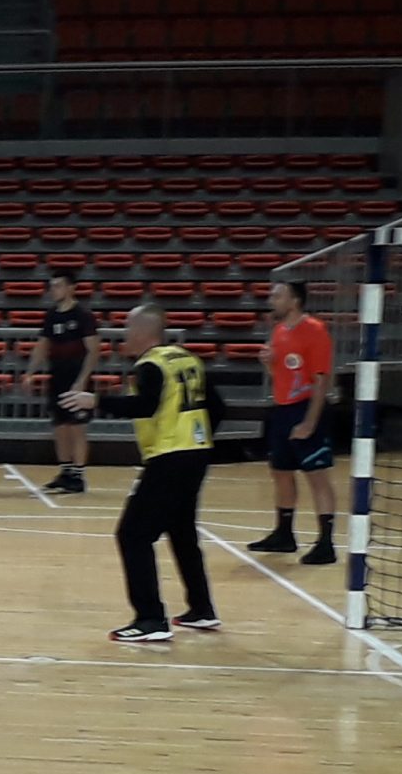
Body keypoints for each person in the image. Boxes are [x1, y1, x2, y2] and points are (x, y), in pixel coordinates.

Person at [63, 303, 226, 643]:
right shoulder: (187, 359)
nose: (124, 335)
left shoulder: (150, 365)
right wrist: (197, 437)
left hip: (169, 456)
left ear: (142, 332)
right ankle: (202, 608)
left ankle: (151, 618)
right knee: (182, 532)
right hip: (197, 453)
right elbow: (218, 407)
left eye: (128, 328)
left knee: (132, 535)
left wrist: (97, 401)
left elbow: (145, 406)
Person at [247, 279, 338, 565]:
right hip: (282, 409)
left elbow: (321, 380)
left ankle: (326, 543)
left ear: (294, 300)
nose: (271, 300)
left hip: (306, 407)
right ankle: (284, 534)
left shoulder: (314, 330)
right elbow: (281, 376)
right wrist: (269, 363)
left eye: (277, 296)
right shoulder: (279, 331)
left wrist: (310, 421)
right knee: (281, 471)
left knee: (316, 475)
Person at [22, 274, 97, 493]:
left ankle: (78, 475)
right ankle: (65, 472)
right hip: (57, 377)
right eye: (52, 286)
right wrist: (30, 372)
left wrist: (82, 381)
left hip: (76, 378)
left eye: (58, 286)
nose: (53, 290)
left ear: (71, 288)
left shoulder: (83, 315)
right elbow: (42, 345)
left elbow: (93, 350)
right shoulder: (51, 315)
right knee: (60, 426)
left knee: (77, 428)